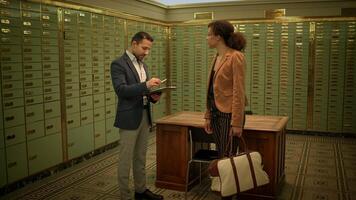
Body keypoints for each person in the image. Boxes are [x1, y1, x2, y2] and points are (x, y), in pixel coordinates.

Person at [111, 31, 164, 200]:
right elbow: (121, 90)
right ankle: (125, 196)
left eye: (149, 49)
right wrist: (146, 84)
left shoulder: (143, 65)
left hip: (144, 114)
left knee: (140, 157)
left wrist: (153, 95)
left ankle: (140, 191)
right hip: (129, 118)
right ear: (134, 43)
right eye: (144, 48)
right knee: (125, 160)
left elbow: (143, 90)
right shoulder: (118, 64)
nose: (146, 52)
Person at [203, 20, 247, 200]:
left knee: (228, 156)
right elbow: (211, 90)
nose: (207, 38)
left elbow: (238, 91)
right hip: (216, 113)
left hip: (229, 114)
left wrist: (236, 122)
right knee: (222, 153)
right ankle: (225, 190)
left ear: (218, 37)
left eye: (209, 34)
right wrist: (207, 115)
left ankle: (229, 193)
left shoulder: (236, 56)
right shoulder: (216, 57)